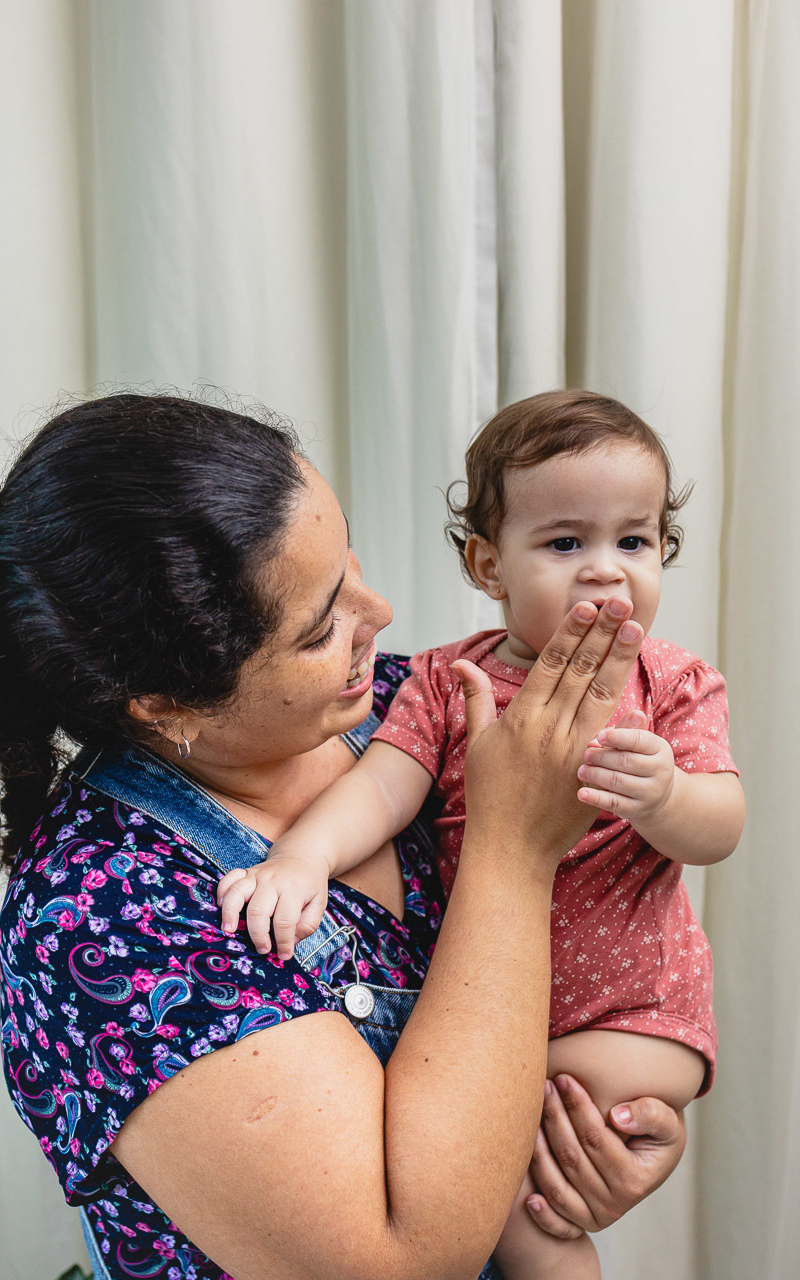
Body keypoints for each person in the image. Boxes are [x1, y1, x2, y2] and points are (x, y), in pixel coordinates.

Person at [0, 393, 687, 1280]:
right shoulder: (103, 914)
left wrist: (593, 1139)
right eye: (320, 624)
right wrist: (511, 851)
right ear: (165, 705)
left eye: (348, 564)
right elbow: (399, 1261)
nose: (377, 612)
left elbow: (608, 929)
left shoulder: (417, 705)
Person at [217, 390, 745, 1279]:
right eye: (565, 543)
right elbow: (383, 787)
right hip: (498, 1019)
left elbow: (719, 827)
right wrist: (302, 856)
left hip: (624, 1013)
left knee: (518, 1206)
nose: (606, 572)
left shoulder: (673, 684)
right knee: (497, 1194)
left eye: (635, 540)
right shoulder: (443, 682)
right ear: (488, 564)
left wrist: (665, 796)